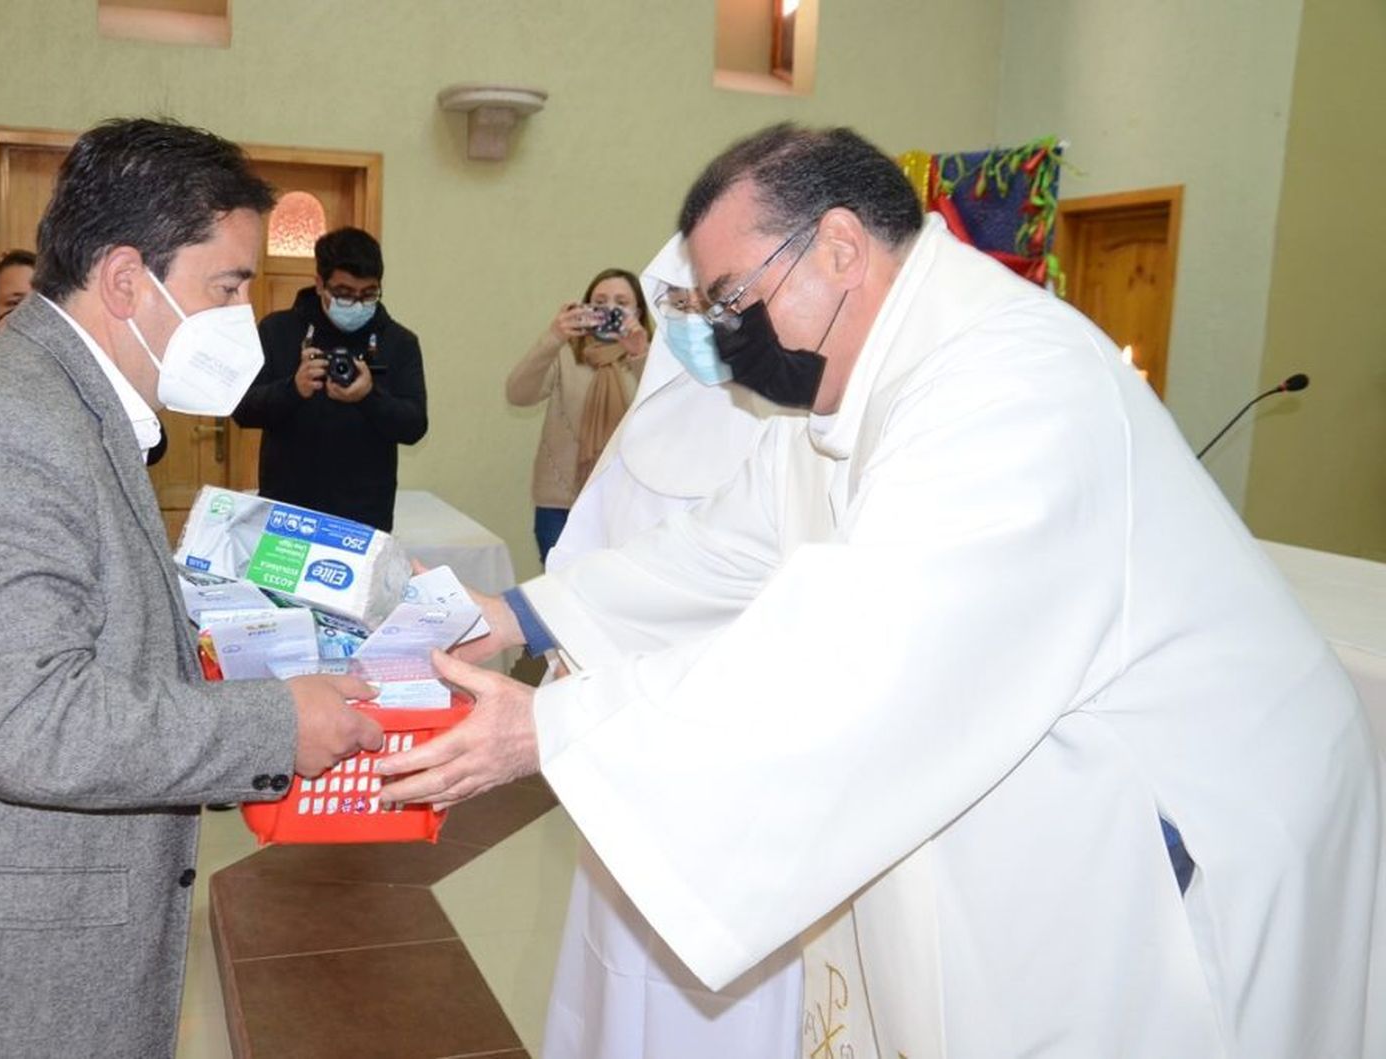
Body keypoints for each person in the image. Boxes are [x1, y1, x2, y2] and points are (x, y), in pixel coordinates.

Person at [376, 124, 1384, 1056]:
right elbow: (716, 546)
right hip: (1055, 803)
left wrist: (554, 730)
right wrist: (511, 613)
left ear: (840, 248)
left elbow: (857, 660)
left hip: (1158, 835)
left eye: (731, 299)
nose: (723, 336)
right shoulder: (857, 396)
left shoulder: (1009, 384)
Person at [0, 118, 383, 1059]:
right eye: (227, 285)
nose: (243, 316)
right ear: (125, 279)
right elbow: (31, 722)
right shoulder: (5, 426)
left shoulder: (61, 403)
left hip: (26, 956)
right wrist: (277, 723)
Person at [541, 235, 804, 1058]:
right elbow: (586, 551)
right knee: (621, 959)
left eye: (710, 307)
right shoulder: (647, 414)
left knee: (721, 979)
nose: (694, 324)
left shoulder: (787, 430)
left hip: (728, 754)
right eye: (679, 306)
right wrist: (561, 643)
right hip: (620, 749)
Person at [232, 227, 426, 532]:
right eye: (344, 293)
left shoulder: (399, 342)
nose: (358, 304)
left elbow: (415, 425)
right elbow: (242, 410)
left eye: (369, 294)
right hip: (288, 511)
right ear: (320, 283)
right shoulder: (278, 331)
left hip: (364, 517)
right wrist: (293, 389)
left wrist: (369, 397)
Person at [506, 269, 650, 563]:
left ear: (638, 311)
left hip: (624, 506)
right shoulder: (565, 355)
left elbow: (666, 416)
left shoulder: (650, 360)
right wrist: (553, 337)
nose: (610, 309)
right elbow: (517, 394)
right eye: (600, 301)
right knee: (559, 595)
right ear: (585, 308)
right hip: (558, 506)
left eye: (621, 302)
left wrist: (641, 356)